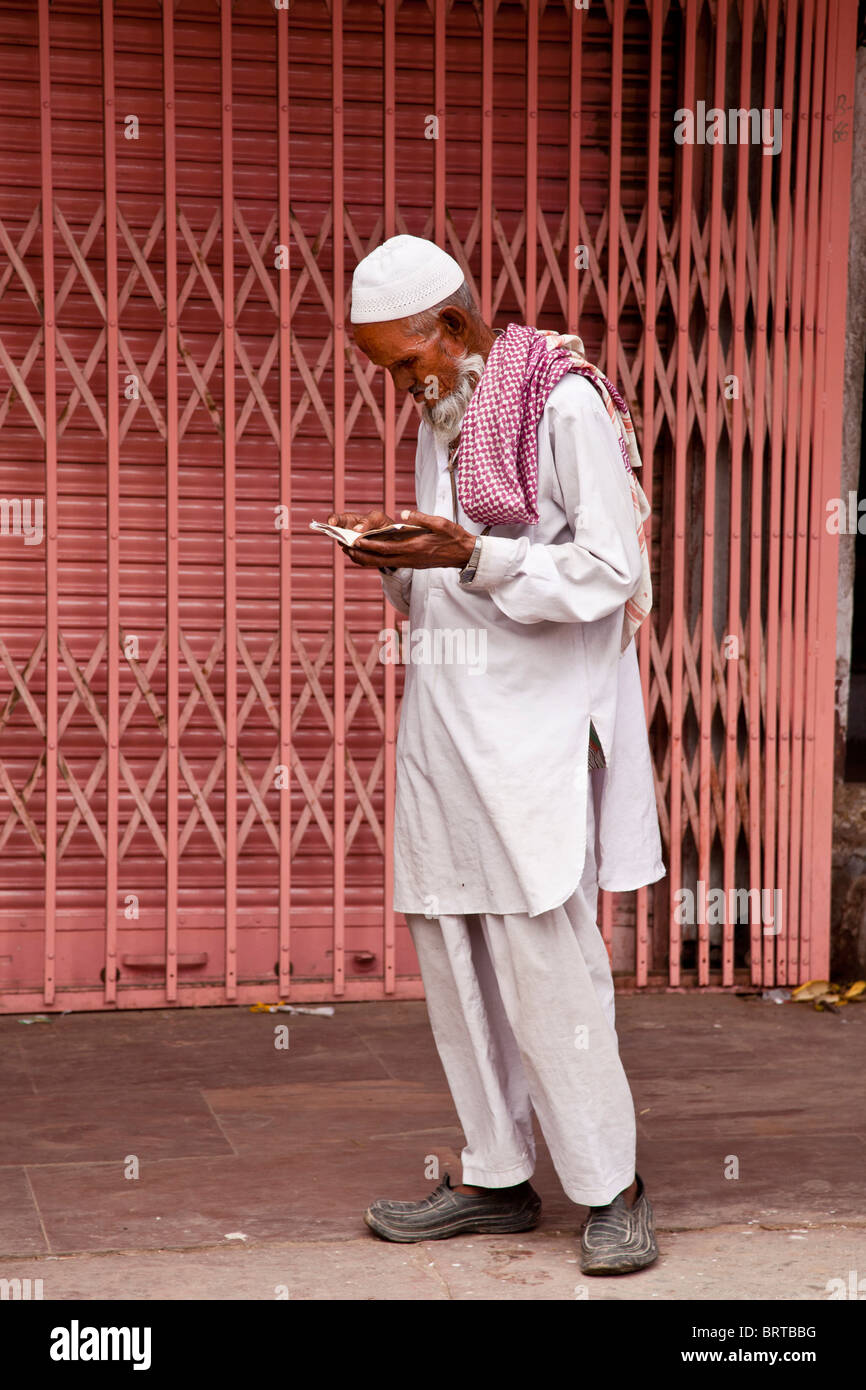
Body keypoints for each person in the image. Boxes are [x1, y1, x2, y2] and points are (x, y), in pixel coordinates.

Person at [329, 234, 666, 1275]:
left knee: (544, 960)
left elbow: (608, 567)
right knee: (453, 951)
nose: (398, 382)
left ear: (457, 327)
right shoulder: (448, 411)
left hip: (536, 730)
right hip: (445, 721)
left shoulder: (558, 402)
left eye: (403, 360)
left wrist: (470, 555)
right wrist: (400, 558)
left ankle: (611, 1187)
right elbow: (456, 553)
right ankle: (495, 1174)